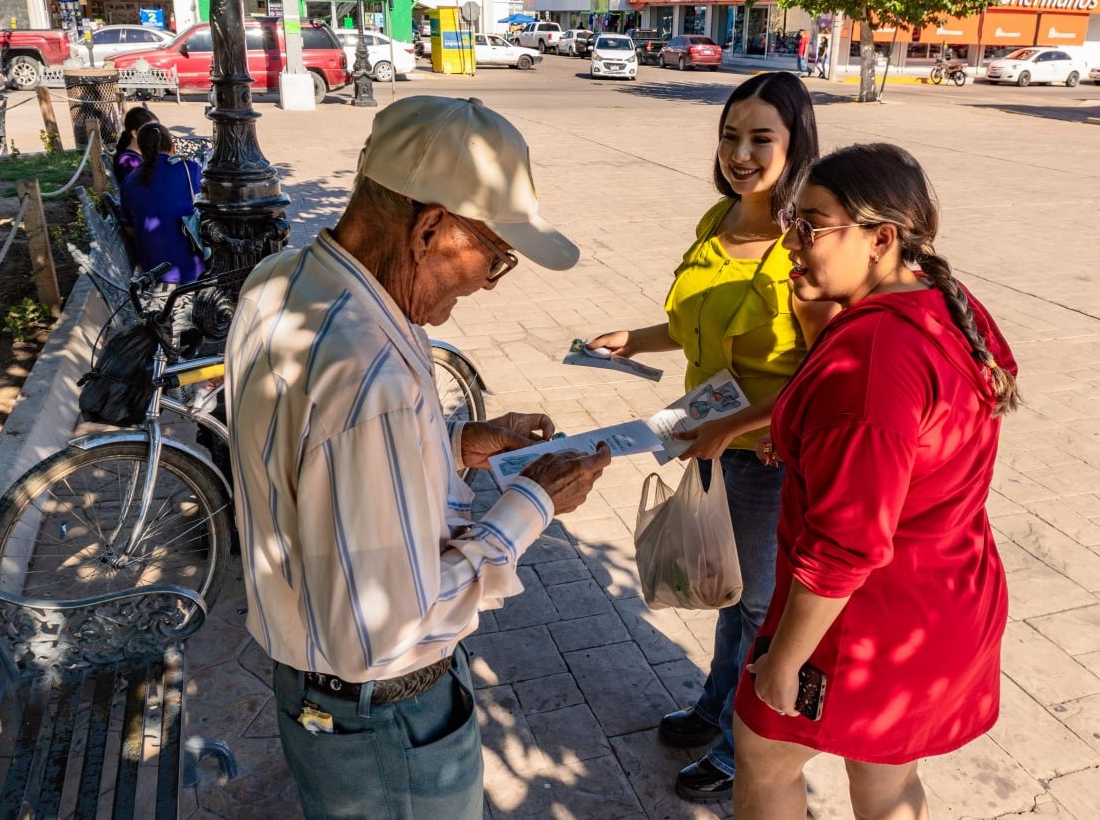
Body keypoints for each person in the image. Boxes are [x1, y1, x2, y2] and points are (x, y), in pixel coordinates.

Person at [225, 96, 611, 820]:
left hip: (323, 696)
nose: (487, 281)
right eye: (495, 256)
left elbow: (321, 467)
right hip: (386, 718)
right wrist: (533, 504)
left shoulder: (281, 280)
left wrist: (457, 443)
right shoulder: (370, 375)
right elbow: (388, 626)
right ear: (431, 228)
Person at [732, 143, 1019, 819]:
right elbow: (919, 437)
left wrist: (784, 661)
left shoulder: (871, 358)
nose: (790, 242)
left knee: (765, 759)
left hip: (863, 623)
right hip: (945, 598)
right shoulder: (944, 301)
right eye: (792, 222)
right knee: (886, 781)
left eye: (811, 226)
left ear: (881, 239)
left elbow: (847, 544)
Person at [587, 72, 832, 804]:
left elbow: (823, 373)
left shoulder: (803, 247)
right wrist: (635, 339)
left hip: (764, 456)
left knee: (755, 606)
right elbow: (693, 323)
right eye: (730, 136)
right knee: (729, 591)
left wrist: (736, 427)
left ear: (796, 145)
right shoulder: (716, 221)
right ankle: (712, 706)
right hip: (706, 440)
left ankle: (737, 747)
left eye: (761, 138)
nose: (741, 154)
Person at [118, 122, 206, 344]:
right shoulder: (190, 169)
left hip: (153, 269)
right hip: (193, 266)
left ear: (141, 151)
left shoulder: (129, 181)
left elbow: (130, 230)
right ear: (173, 145)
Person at [112, 106, 157, 185]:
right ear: (135, 134)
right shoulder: (129, 161)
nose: (157, 135)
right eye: (151, 131)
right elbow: (140, 189)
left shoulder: (142, 154)